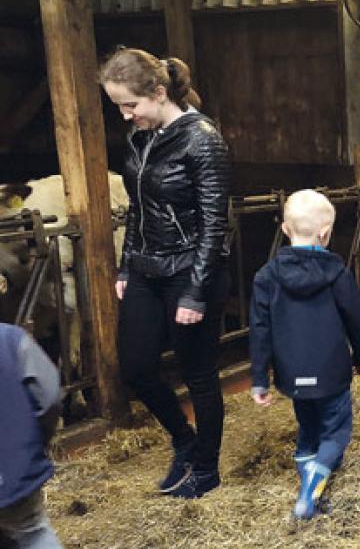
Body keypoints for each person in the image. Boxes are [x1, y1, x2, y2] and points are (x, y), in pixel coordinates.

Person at [99, 47, 231, 499]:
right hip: (145, 268)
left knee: (198, 374)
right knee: (135, 367)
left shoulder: (203, 139)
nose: (124, 115)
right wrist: (125, 264)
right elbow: (139, 209)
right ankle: (183, 439)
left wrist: (196, 291)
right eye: (118, 105)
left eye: (130, 105)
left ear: (158, 93)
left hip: (191, 270)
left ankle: (206, 469)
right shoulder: (140, 137)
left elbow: (215, 222)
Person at [250, 189, 360, 520]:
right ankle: (313, 482)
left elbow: (259, 330)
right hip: (331, 371)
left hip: (291, 373)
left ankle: (311, 486)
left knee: (308, 428)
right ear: (326, 233)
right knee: (336, 431)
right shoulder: (338, 274)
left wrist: (260, 378)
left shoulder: (266, 276)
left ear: (286, 230)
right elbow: (357, 321)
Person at [0, 323, 63, 548]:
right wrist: (36, 439)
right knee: (32, 532)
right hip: (12, 471)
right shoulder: (11, 339)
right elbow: (50, 396)